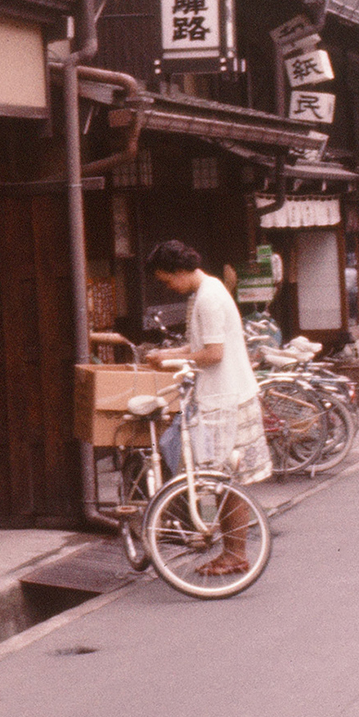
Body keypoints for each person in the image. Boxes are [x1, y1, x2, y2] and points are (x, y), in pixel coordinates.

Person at [145, 240, 270, 577]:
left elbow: (213, 354)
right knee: (226, 480)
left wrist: (175, 357)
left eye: (167, 280)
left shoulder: (209, 297)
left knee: (229, 480)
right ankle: (232, 553)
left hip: (227, 397)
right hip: (225, 394)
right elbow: (204, 346)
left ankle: (235, 554)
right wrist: (170, 355)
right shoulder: (206, 292)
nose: (167, 287)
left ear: (180, 271)